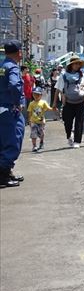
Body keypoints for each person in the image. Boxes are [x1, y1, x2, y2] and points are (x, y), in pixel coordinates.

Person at [0, 40, 25, 187]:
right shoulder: (13, 67)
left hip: (2, 108)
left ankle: (6, 171)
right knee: (13, 141)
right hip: (10, 109)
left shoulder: (2, 66)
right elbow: (15, 85)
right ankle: (3, 175)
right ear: (19, 52)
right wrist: (17, 102)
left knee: (3, 142)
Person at [53, 54, 84, 148]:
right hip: (68, 102)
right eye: (75, 64)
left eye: (78, 64)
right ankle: (69, 135)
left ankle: (77, 141)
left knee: (79, 122)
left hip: (80, 101)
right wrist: (54, 103)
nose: (77, 65)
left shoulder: (82, 75)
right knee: (67, 122)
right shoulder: (63, 75)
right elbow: (58, 89)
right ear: (71, 65)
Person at [27, 87, 52, 152]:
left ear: (41, 95)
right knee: (33, 134)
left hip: (41, 121)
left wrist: (53, 109)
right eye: (34, 94)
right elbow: (29, 113)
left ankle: (41, 141)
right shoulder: (31, 103)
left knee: (41, 133)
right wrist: (29, 121)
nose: (36, 96)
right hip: (33, 121)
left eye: (38, 94)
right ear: (33, 95)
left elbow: (48, 108)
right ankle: (34, 146)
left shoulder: (43, 102)